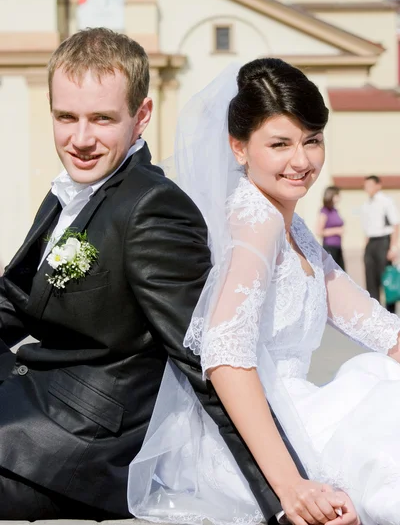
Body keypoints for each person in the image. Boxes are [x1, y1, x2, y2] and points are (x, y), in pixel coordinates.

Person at [0, 30, 304, 520]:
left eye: (101, 118)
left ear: (141, 116)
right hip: (31, 399)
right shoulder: (71, 191)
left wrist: (284, 492)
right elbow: (16, 300)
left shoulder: (153, 209)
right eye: (66, 117)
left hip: (83, 446)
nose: (80, 139)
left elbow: (202, 358)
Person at [129, 58, 400, 525]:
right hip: (265, 435)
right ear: (239, 148)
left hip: (300, 410)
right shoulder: (255, 222)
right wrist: (290, 485)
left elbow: (380, 328)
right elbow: (224, 352)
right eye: (280, 144)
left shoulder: (292, 228)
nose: (302, 161)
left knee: (378, 377)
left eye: (312, 141)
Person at [362, 174, 400, 312]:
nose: (367, 188)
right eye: (366, 186)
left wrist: (393, 247)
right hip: (371, 243)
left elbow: (396, 224)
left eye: (370, 185)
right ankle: (376, 313)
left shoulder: (386, 201)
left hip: (384, 241)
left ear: (378, 185)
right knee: (370, 279)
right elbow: (366, 229)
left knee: (386, 277)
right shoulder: (367, 204)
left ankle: (391, 313)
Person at [316, 186, 345, 270]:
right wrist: (336, 231)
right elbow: (319, 231)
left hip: (338, 246)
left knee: (341, 273)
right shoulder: (324, 211)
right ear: (331, 196)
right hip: (329, 247)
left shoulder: (335, 210)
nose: (339, 197)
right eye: (337, 195)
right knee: (332, 273)